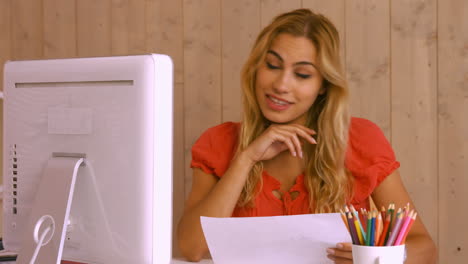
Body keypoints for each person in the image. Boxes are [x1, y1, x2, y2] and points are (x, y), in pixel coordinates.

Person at [177, 8, 436, 263]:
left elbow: (425, 248)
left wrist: (380, 258)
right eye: (272, 65)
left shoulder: (361, 139)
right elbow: (192, 249)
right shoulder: (219, 143)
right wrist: (246, 159)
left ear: (323, 85)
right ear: (256, 68)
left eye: (302, 74)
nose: (281, 85)